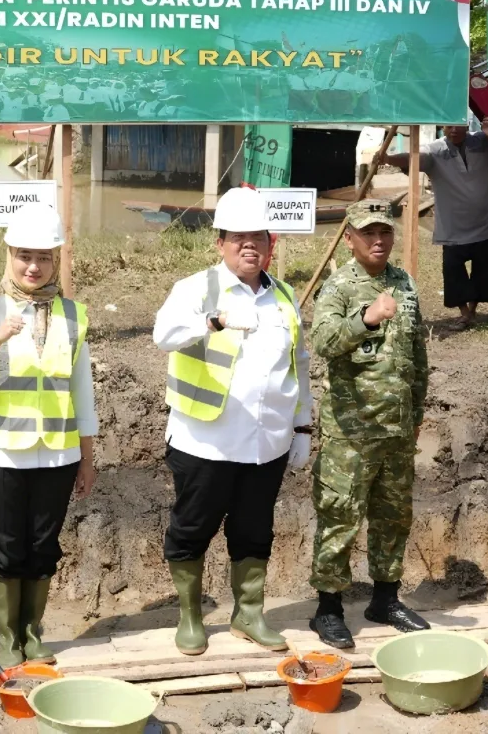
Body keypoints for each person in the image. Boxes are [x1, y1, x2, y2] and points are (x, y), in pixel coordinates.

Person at [153, 187, 312, 656]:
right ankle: (190, 615)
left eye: (258, 238)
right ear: (220, 243)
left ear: (272, 244)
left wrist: (302, 427)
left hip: (268, 444)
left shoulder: (283, 296)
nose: (250, 246)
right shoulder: (196, 289)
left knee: (254, 529)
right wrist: (214, 321)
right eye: (238, 238)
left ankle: (248, 613)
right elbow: (163, 335)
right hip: (207, 442)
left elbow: (298, 365)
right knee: (192, 527)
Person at [0, 204, 97, 668]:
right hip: (0, 455)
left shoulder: (74, 316)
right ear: (9, 256)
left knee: (42, 546)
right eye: (24, 256)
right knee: (6, 545)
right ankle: (7, 637)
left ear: (56, 260)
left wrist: (87, 457)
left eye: (44, 258)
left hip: (56, 455)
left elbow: (82, 394)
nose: (34, 267)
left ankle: (33, 634)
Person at [308, 200, 429, 649]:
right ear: (350, 237)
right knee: (340, 517)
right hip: (351, 431)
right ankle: (328, 608)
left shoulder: (404, 283)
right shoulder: (338, 287)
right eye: (369, 233)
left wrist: (415, 414)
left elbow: (417, 356)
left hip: (396, 428)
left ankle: (386, 599)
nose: (379, 240)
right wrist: (365, 319)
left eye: (385, 232)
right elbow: (322, 341)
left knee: (393, 516)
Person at [385, 122, 488, 329]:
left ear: (467, 126)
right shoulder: (435, 150)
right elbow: (413, 158)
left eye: (458, 126)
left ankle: (473, 310)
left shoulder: (484, 141)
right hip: (452, 225)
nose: (454, 130)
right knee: (453, 272)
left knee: (484, 271)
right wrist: (387, 158)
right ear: (442, 128)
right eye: (449, 127)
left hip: (486, 221)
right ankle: (464, 313)